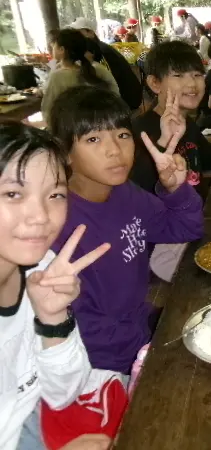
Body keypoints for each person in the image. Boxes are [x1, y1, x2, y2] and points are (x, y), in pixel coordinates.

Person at [47, 85, 204, 375]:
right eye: (93, 139)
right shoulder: (59, 226)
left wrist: (176, 189)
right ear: (65, 153)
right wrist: (149, 355)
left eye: (122, 135)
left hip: (137, 327)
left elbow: (185, 228)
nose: (114, 151)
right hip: (104, 364)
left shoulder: (124, 193)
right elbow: (86, 331)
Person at [0, 122, 113, 450]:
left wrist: (53, 321)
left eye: (55, 195)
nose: (40, 216)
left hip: (30, 421)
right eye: (12, 194)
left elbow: (63, 395)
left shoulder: (42, 266)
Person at [131, 40, 211, 194]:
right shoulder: (139, 133)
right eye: (178, 75)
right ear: (155, 83)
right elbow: (137, 190)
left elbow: (209, 155)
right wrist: (163, 144)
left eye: (197, 74)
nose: (192, 84)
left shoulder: (186, 122)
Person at [41, 29, 119, 125]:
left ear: (62, 50)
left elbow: (48, 110)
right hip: (103, 122)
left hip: (74, 128)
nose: (51, 48)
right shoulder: (94, 69)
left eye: (53, 46)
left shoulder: (58, 76)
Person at [69, 17, 143, 110]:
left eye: (78, 33)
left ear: (90, 32)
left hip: (126, 101)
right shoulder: (99, 48)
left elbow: (109, 83)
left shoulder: (100, 52)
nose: (75, 37)